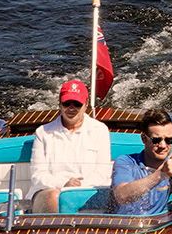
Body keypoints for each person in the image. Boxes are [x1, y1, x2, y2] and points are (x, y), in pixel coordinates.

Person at [27, 78, 114, 214]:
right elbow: (38, 176)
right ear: (60, 104)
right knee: (53, 197)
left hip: (87, 191)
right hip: (50, 192)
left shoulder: (100, 130)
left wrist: (77, 188)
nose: (71, 108)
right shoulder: (42, 132)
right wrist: (64, 184)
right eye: (67, 103)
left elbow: (103, 173)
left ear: (85, 105)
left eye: (77, 104)